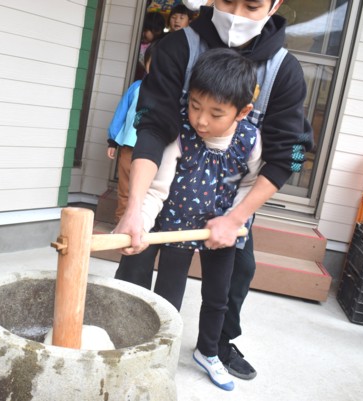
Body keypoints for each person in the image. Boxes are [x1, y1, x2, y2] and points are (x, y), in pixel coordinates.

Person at [114, 0, 314, 382]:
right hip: (165, 191)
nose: (235, 13)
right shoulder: (178, 47)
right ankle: (123, 339)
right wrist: (135, 208)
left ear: (275, 5)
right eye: (226, 0)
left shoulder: (284, 71)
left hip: (228, 205)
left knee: (236, 274)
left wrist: (235, 219)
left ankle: (216, 345)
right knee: (135, 259)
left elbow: (283, 157)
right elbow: (154, 127)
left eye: (251, 5)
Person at [129, 48, 260, 391]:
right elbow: (157, 189)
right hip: (176, 227)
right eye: (195, 106)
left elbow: (251, 186)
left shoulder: (250, 141)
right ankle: (159, 354)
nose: (201, 120)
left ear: (242, 112)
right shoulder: (181, 133)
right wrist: (141, 223)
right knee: (167, 298)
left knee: (218, 297)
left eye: (216, 113)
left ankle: (209, 351)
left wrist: (233, 221)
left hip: (223, 231)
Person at [107, 41, 158, 223]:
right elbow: (121, 111)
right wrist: (113, 140)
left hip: (153, 150)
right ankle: (120, 223)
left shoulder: (171, 93)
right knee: (125, 187)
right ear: (146, 63)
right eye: (154, 62)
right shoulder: (136, 87)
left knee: (148, 190)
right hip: (129, 146)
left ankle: (141, 225)